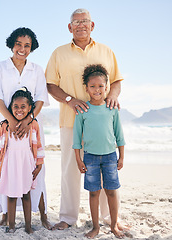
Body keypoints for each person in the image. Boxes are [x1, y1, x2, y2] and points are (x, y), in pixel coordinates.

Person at [45, 8, 125, 230]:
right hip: (71, 120)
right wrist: (70, 100)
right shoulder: (59, 53)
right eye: (76, 22)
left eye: (85, 21)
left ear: (92, 26)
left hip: (102, 124)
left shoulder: (106, 51)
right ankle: (68, 218)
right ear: (69, 27)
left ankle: (109, 218)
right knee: (70, 170)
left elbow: (116, 80)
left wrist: (112, 96)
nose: (80, 25)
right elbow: (50, 84)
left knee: (104, 170)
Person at [0, 27, 51, 229]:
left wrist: (28, 120)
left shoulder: (37, 69)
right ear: (11, 44)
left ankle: (42, 214)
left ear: (32, 48)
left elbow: (41, 98)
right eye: (18, 44)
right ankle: (6, 216)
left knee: (35, 169)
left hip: (32, 126)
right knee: (8, 169)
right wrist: (12, 122)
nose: (22, 49)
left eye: (27, 45)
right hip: (7, 127)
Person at [73, 64, 125, 239]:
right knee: (94, 192)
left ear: (107, 87)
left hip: (111, 156)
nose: (97, 89)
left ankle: (113, 225)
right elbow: (76, 139)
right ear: (86, 89)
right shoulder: (82, 110)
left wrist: (121, 157)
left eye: (101, 86)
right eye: (93, 86)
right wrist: (79, 160)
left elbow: (119, 135)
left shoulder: (112, 109)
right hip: (90, 158)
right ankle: (95, 227)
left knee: (111, 191)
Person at [0, 87, 45, 233]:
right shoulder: (5, 126)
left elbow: (38, 146)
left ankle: (28, 226)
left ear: (29, 108)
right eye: (15, 106)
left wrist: (39, 164)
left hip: (26, 163)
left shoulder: (33, 125)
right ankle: (12, 226)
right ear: (10, 108)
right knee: (11, 195)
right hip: (9, 163)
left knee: (26, 195)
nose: (19, 110)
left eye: (23, 107)